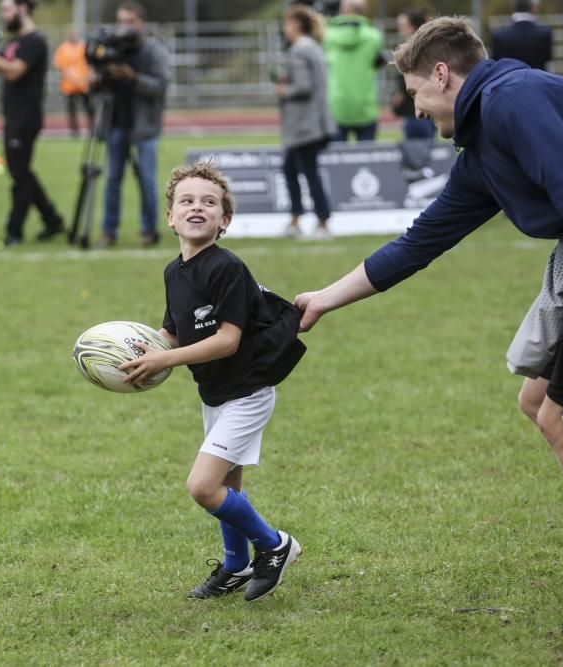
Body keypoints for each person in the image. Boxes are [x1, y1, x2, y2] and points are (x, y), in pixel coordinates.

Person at [295, 17, 563, 643]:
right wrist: (324, 301)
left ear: (442, 74)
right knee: (540, 400)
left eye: (415, 93)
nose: (414, 109)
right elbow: (420, 242)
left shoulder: (512, 99)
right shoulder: (484, 146)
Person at [118, 162, 306, 602]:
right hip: (216, 394)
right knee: (228, 488)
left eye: (209, 202)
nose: (197, 208)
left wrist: (169, 358)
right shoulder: (174, 272)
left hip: (247, 392)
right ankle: (236, 566)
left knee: (203, 487)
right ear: (170, 216)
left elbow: (226, 340)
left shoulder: (226, 268)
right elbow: (172, 332)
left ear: (225, 221)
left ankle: (275, 545)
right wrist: (131, 353)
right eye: (186, 201)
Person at [0, 0, 66, 246]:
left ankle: (14, 230)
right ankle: (52, 219)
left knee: (19, 174)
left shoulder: (34, 42)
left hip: (26, 117)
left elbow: (12, 71)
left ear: (23, 8)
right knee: (21, 171)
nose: (3, 15)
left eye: (7, 10)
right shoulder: (13, 42)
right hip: (12, 116)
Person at [97, 1, 170, 248]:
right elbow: (100, 83)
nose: (125, 27)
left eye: (130, 22)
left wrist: (133, 78)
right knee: (112, 181)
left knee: (147, 180)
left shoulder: (153, 51)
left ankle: (149, 231)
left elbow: (160, 86)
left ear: (142, 23)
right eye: (122, 22)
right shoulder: (114, 48)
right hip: (116, 123)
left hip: (144, 127)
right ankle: (109, 231)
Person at [276, 4, 335, 240]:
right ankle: (296, 220)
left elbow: (303, 86)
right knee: (290, 169)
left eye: (287, 23)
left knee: (308, 173)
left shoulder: (299, 50)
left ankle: (322, 223)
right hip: (314, 122)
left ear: (296, 25)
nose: (284, 28)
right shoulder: (314, 47)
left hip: (305, 125)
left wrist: (284, 89)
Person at [323, 0, 385, 142]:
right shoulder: (374, 36)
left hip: (336, 104)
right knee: (367, 159)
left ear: (343, 10)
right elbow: (377, 62)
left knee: (337, 158)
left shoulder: (328, 36)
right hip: (365, 104)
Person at [391, 10, 435, 140]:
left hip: (418, 110)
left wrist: (401, 93)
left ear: (412, 26)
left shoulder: (417, 49)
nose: (400, 30)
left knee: (417, 152)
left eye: (402, 25)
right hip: (421, 110)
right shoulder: (424, 46)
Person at [490, 0, 553, 71]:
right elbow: (547, 58)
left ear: (514, 8)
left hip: (509, 80)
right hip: (538, 79)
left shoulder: (499, 35)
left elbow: (495, 61)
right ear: (532, 8)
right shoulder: (544, 33)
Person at [53, 28, 93, 138]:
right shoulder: (63, 48)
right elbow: (59, 65)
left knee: (89, 108)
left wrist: (85, 77)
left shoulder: (83, 47)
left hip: (84, 85)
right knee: (71, 110)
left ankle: (93, 130)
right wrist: (71, 76)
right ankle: (75, 132)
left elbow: (89, 64)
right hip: (68, 86)